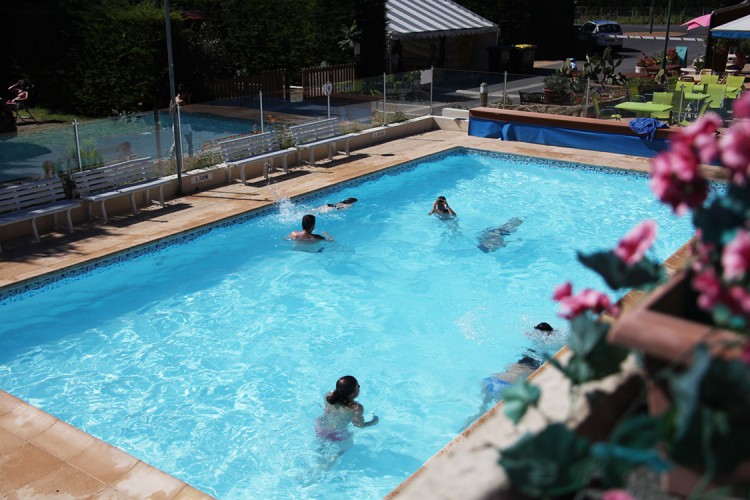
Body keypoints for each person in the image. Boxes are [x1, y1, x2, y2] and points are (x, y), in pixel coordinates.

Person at [464, 354, 541, 428]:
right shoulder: (531, 370)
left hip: (490, 382)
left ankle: (467, 423)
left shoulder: (513, 365)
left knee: (482, 409)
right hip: (505, 387)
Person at [315, 375, 379, 442]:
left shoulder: (328, 396)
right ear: (353, 394)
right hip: (335, 434)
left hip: (319, 426)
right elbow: (359, 425)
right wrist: (373, 422)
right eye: (358, 386)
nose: (359, 387)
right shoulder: (356, 408)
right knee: (344, 450)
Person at [169, 84, 193, 157]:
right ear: (183, 93)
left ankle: (171, 157)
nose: (186, 95)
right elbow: (191, 111)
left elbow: (170, 113)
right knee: (189, 143)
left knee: (176, 143)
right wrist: (188, 100)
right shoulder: (181, 102)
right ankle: (191, 157)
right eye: (186, 94)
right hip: (184, 124)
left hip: (176, 124)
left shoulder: (173, 100)